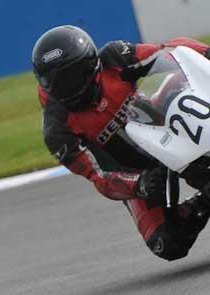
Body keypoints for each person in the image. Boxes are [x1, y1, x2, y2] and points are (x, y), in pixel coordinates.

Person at [33, 25, 210, 260]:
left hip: (159, 125)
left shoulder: (114, 58)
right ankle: (204, 200)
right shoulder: (58, 130)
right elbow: (100, 179)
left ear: (92, 65)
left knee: (184, 81)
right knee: (167, 243)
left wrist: (205, 54)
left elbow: (170, 51)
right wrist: (140, 184)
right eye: (56, 83)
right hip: (133, 171)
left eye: (73, 77)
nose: (67, 89)